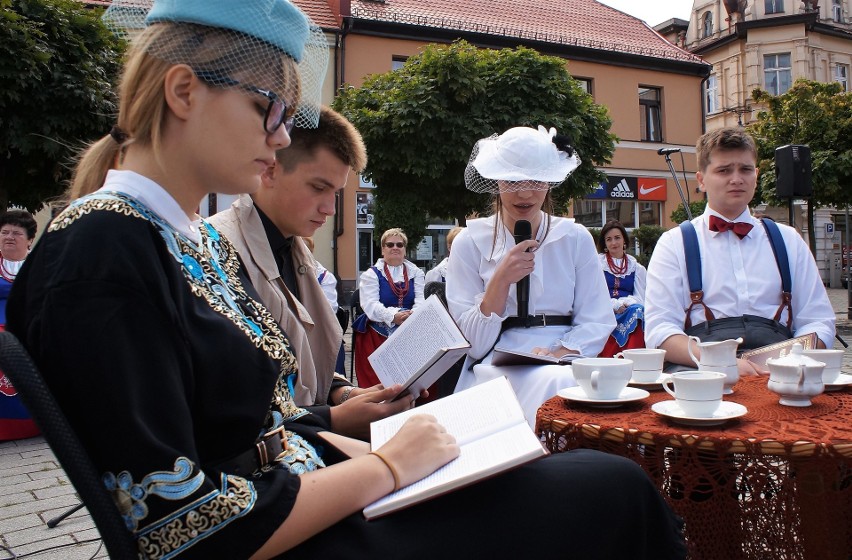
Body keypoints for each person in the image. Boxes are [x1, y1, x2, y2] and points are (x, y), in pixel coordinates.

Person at [8, 2, 686, 556]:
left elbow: (246, 425)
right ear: (183, 90)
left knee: (596, 479)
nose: (280, 138)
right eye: (270, 108)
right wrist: (388, 467)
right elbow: (185, 525)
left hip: (313, 494)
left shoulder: (166, 236)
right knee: (612, 489)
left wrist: (363, 436)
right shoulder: (102, 249)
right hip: (295, 534)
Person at [209, 107, 405, 440]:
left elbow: (306, 365)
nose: (330, 208)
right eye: (318, 188)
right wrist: (334, 419)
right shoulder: (216, 251)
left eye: (336, 193)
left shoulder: (293, 247)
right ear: (270, 170)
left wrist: (342, 393)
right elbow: (229, 410)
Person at [447, 126, 616, 425]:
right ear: (497, 180)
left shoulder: (575, 238)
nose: (524, 192)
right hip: (496, 362)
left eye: (536, 179)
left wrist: (560, 352)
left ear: (551, 182)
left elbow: (597, 318)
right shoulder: (469, 242)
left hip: (565, 358)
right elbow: (473, 344)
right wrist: (499, 280)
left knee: (561, 382)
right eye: (512, 180)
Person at [645, 127, 835, 376]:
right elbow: (660, 330)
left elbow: (818, 320)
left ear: (756, 175)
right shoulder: (674, 243)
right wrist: (722, 363)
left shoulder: (790, 241)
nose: (736, 178)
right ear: (701, 180)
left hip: (781, 373)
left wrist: (788, 361)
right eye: (724, 170)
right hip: (699, 373)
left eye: (745, 169)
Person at [352, 228, 425, 388]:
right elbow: (370, 304)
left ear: (405, 250)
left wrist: (412, 315)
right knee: (380, 383)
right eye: (390, 244)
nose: (395, 248)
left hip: (409, 327)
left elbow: (420, 299)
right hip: (378, 332)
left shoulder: (416, 273)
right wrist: (393, 316)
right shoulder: (371, 274)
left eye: (400, 244)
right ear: (383, 249)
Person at [0, 210, 39, 441]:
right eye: (4, 232)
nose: (9, 237)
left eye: (16, 232)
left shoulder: (41, 264)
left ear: (30, 239)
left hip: (31, 325)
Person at [597, 220, 647, 357]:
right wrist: (614, 305)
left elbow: (640, 297)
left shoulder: (636, 267)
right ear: (605, 244)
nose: (614, 243)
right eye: (609, 239)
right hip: (604, 310)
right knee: (636, 311)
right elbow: (593, 294)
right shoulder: (596, 264)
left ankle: (633, 356)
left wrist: (625, 303)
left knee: (638, 310)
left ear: (624, 240)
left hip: (629, 310)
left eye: (617, 238)